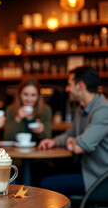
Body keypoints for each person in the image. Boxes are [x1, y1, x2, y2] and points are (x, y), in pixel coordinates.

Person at [38, 66, 108, 195]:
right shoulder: (81, 109)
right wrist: (54, 141)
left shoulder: (103, 110)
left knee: (47, 184)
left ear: (80, 86)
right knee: (41, 171)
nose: (66, 89)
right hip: (85, 170)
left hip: (99, 180)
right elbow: (70, 134)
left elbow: (78, 147)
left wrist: (72, 141)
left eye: (69, 84)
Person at [4, 78, 52, 143]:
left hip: (38, 152)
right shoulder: (10, 110)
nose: (29, 99)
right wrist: (18, 118)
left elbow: (48, 139)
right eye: (26, 94)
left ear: (38, 96)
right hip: (16, 151)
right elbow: (8, 138)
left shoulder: (46, 110)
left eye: (33, 95)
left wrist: (41, 131)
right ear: (19, 94)